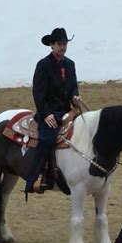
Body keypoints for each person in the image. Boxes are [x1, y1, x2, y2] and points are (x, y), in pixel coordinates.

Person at [24, 28, 81, 194]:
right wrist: (46, 114)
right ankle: (33, 180)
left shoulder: (70, 64)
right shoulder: (43, 65)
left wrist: (75, 97)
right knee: (47, 139)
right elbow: (38, 93)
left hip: (67, 111)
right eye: (59, 44)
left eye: (64, 44)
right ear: (51, 45)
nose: (62, 47)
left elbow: (73, 88)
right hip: (49, 112)